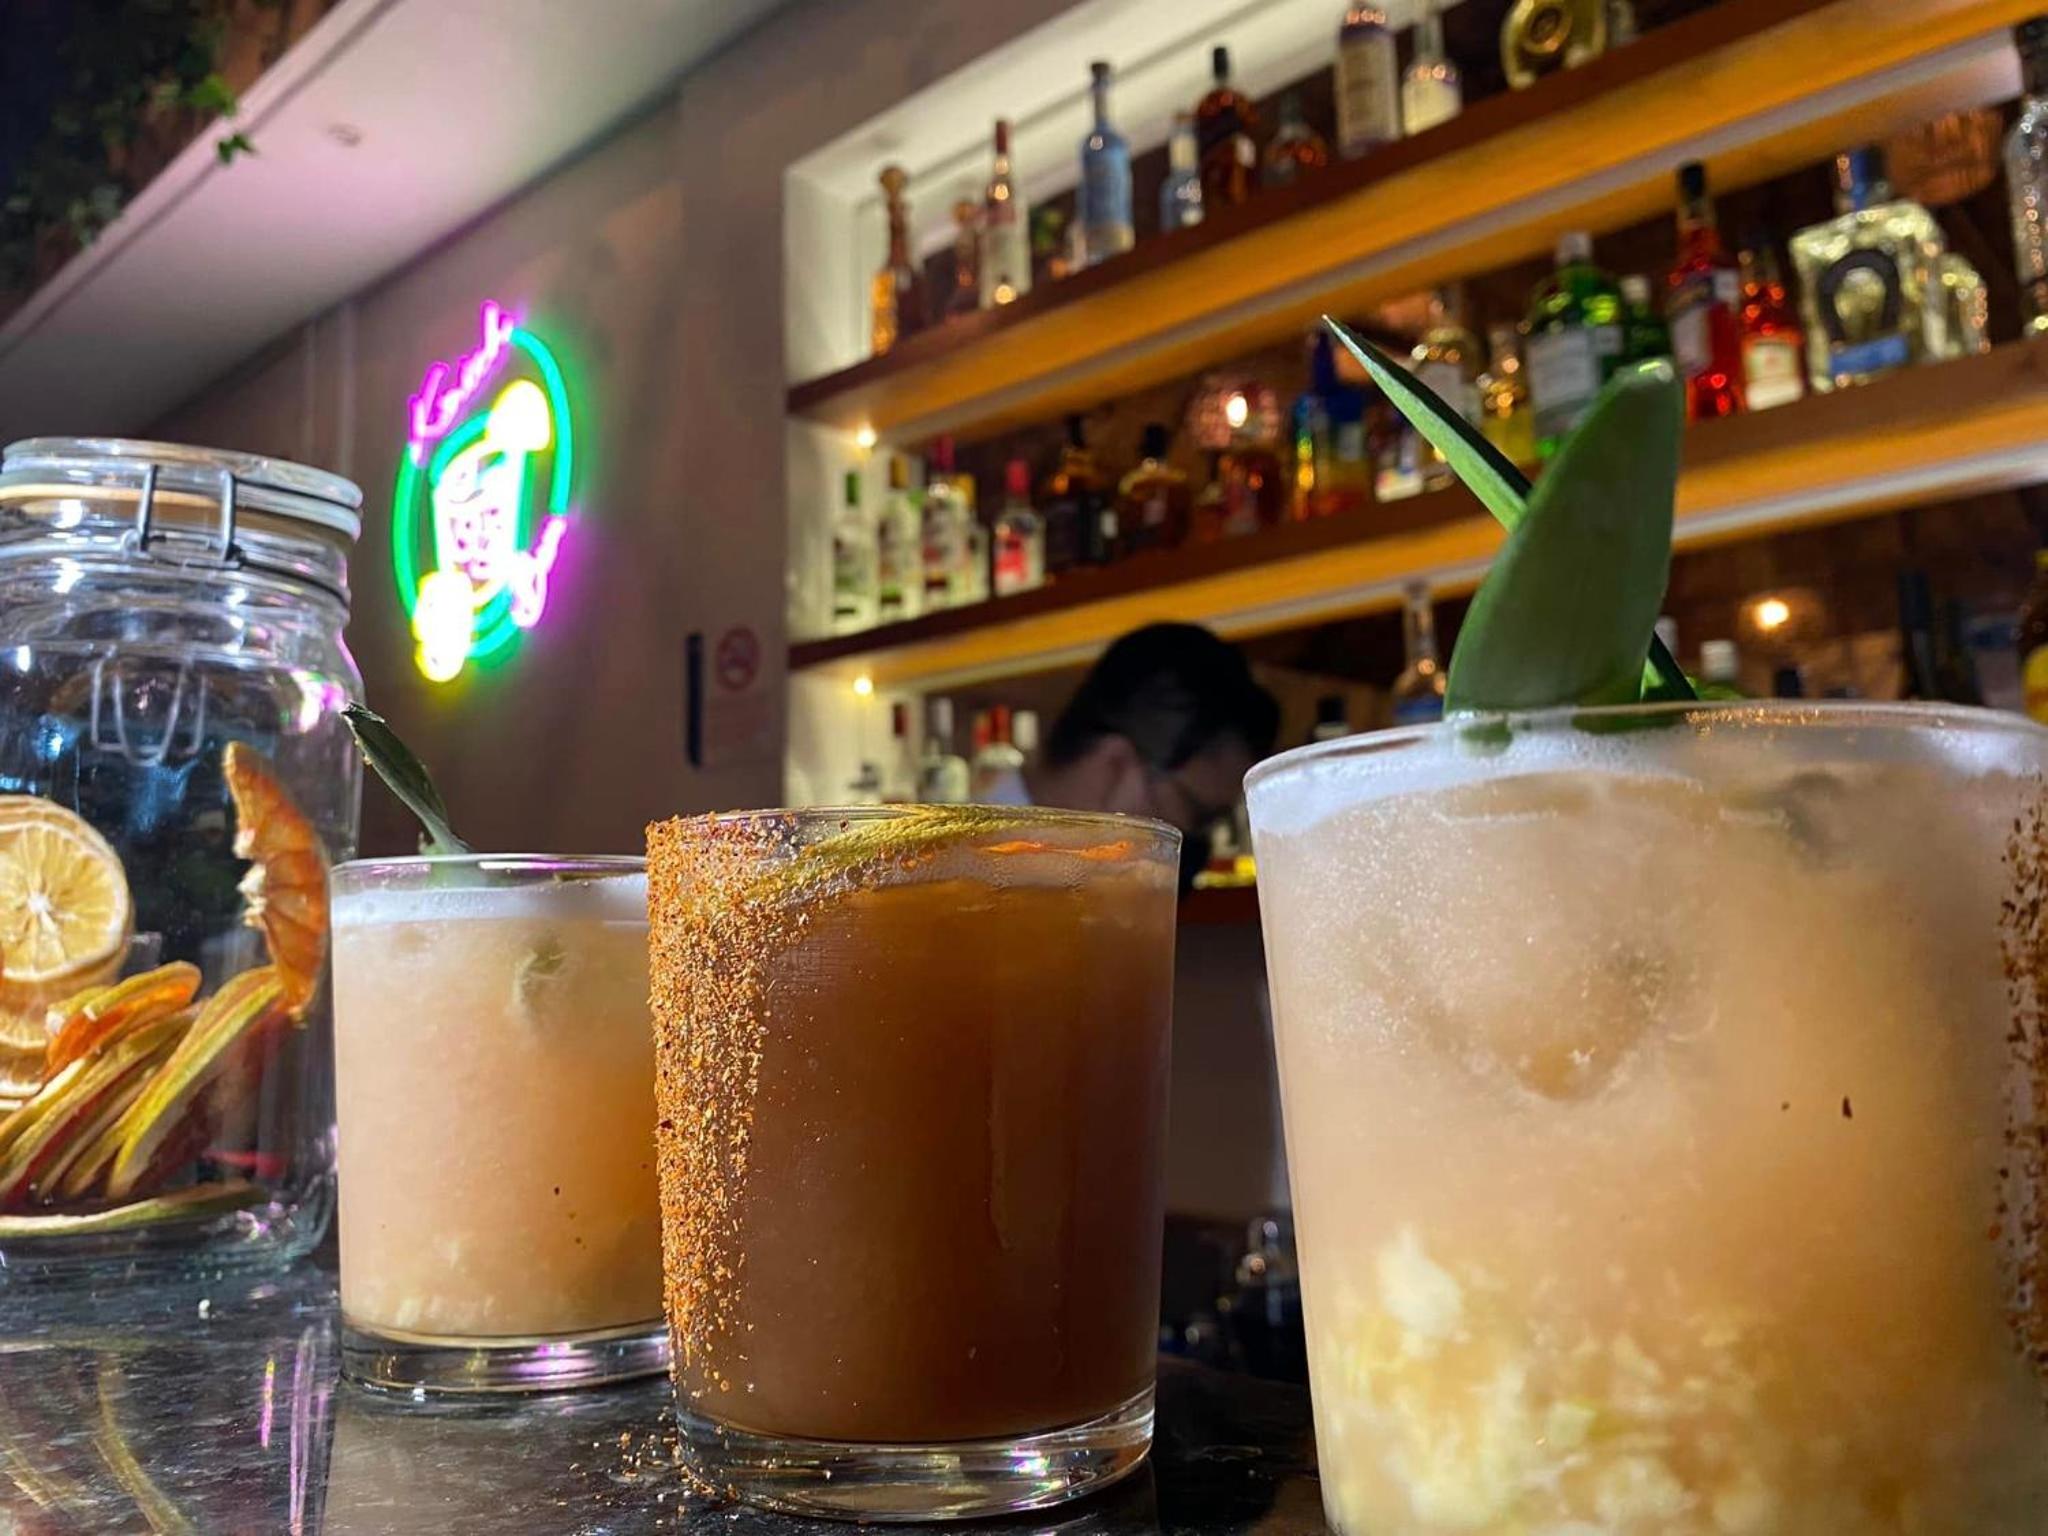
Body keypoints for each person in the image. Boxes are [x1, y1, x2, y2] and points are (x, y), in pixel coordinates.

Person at [987, 623, 1279, 887]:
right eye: (1197, 814)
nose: (1196, 845)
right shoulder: (978, 878)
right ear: (1113, 765)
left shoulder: (1080, 888)